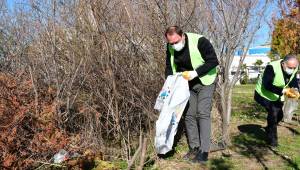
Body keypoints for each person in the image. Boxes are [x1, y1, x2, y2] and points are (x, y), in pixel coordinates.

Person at [164, 26, 219, 163]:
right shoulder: (170, 47)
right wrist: (170, 83)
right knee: (188, 115)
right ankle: (194, 147)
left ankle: (204, 151)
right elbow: (169, 67)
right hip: (186, 84)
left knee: (202, 113)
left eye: (176, 42)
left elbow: (213, 61)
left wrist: (196, 72)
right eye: (171, 43)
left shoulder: (200, 41)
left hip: (205, 80)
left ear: (182, 36)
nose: (174, 46)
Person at [254, 54, 299, 147]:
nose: (292, 69)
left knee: (280, 115)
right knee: (273, 114)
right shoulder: (271, 67)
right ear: (283, 64)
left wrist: (296, 89)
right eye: (290, 67)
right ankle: (272, 141)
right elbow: (267, 85)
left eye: (294, 67)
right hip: (262, 94)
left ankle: (269, 128)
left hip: (276, 96)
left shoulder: (294, 67)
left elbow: (293, 79)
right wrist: (283, 90)